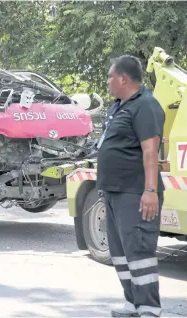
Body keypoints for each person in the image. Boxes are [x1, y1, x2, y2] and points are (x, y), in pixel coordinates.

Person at [97, 55, 165, 317]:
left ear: (123, 78)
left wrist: (150, 191)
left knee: (139, 252)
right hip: (114, 191)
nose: (108, 82)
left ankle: (149, 309)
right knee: (121, 254)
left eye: (110, 76)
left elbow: (151, 151)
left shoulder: (146, 105)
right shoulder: (118, 106)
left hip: (135, 192)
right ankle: (133, 304)